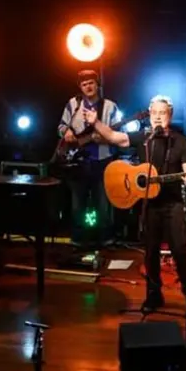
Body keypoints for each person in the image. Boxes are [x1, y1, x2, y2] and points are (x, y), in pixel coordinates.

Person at [84, 95, 186, 309]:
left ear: (170, 116)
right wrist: (95, 122)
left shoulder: (181, 141)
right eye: (154, 113)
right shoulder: (143, 139)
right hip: (149, 204)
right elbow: (112, 137)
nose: (157, 117)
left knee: (179, 249)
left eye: (162, 113)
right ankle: (154, 295)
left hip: (172, 203)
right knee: (151, 251)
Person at [56, 69, 122, 247]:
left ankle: (106, 239)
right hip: (78, 162)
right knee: (78, 202)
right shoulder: (73, 104)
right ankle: (78, 239)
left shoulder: (110, 106)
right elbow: (61, 126)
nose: (88, 87)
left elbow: (121, 134)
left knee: (103, 202)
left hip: (103, 161)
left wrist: (107, 136)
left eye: (91, 83)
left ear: (97, 84)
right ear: (80, 87)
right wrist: (67, 131)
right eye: (84, 84)